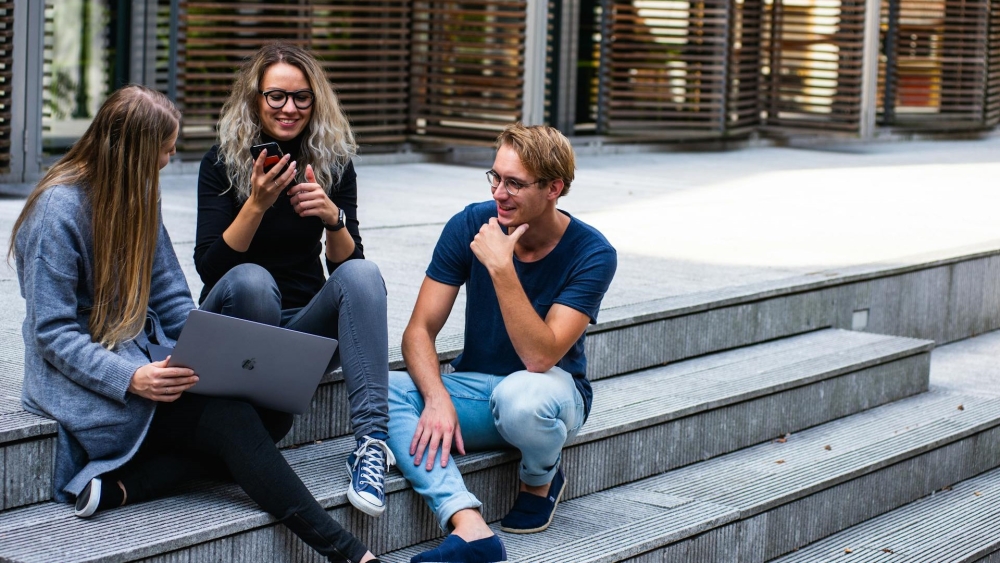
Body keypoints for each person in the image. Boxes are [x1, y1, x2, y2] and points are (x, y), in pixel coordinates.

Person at [9, 85, 380, 563]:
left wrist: (205, 353)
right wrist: (132, 378)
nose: (167, 161)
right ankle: (348, 552)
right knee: (233, 421)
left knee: (273, 416)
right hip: (91, 384)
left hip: (149, 362)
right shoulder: (56, 212)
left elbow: (171, 297)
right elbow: (52, 333)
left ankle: (129, 485)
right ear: (133, 150)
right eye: (164, 150)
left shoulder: (138, 195)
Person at [386, 124, 617, 563]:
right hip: (476, 388)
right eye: (495, 177)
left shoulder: (593, 253)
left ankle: (540, 476)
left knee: (521, 396)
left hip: (549, 394)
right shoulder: (470, 223)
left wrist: (502, 268)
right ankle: (467, 525)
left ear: (554, 188)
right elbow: (418, 330)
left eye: (514, 183)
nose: (500, 193)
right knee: (382, 388)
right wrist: (435, 397)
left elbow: (540, 356)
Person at [194, 43, 393, 518]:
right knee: (253, 281)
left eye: (302, 98)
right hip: (238, 323)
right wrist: (257, 203)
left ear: (316, 101)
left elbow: (349, 270)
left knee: (363, 274)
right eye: (276, 96)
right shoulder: (221, 162)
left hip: (301, 333)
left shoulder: (333, 162)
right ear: (255, 99)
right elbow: (211, 268)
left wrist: (333, 218)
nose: (289, 108)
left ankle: (370, 445)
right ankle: (247, 425)